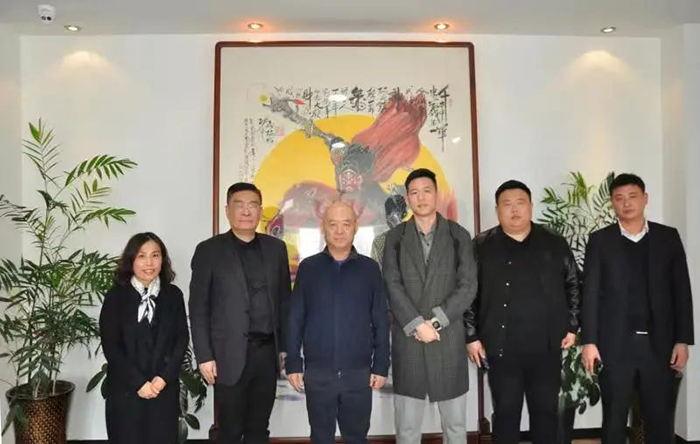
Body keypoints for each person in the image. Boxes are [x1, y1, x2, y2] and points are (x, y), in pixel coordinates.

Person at [581, 173, 694, 444]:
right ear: (612, 203)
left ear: (645, 199)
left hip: (659, 345)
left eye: (632, 196)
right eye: (619, 198)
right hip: (615, 345)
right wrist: (590, 342)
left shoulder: (667, 238)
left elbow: (681, 291)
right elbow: (590, 293)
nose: (626, 203)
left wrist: (682, 340)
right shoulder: (600, 241)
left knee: (660, 419)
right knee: (614, 419)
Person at [464, 180, 580, 444]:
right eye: (507, 204)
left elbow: (573, 284)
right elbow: (468, 293)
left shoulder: (553, 242)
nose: (514, 210)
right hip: (501, 348)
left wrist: (572, 326)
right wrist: (471, 336)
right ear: (497, 210)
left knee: (546, 414)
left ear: (531, 206)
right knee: (505, 415)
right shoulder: (481, 245)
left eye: (520, 203)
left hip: (546, 347)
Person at [189, 182, 291, 444]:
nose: (246, 211)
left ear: (260, 211)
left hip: (266, 354)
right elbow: (198, 308)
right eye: (239, 205)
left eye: (253, 205)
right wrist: (204, 356)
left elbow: (284, 302)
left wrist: (284, 348)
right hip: (228, 355)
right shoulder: (209, 250)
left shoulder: (276, 249)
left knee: (259, 429)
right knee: (230, 431)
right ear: (227, 210)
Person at [382, 168, 477, 444]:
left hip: (446, 338)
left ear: (437, 195)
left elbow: (468, 286)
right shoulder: (395, 237)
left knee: (455, 426)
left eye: (427, 191)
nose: (421, 197)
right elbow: (391, 284)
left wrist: (434, 322)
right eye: (414, 192)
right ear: (407, 199)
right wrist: (416, 325)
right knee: (407, 429)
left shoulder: (458, 235)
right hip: (409, 340)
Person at [286, 199, 390, 444]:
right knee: (321, 437)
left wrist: (381, 365)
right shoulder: (309, 268)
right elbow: (296, 317)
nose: (340, 230)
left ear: (355, 227)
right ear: (323, 227)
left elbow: (380, 319)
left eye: (346, 224)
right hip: (318, 373)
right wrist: (293, 362)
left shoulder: (369, 269)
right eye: (333, 224)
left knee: (356, 437)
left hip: (358, 373)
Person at [100, 232, 189, 444]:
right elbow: (111, 346)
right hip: (126, 392)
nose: (149, 263)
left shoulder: (173, 295)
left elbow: (181, 340)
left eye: (155, 255)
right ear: (131, 260)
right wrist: (139, 383)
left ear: (163, 259)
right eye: (141, 256)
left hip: (163, 390)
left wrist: (163, 379)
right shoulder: (115, 297)